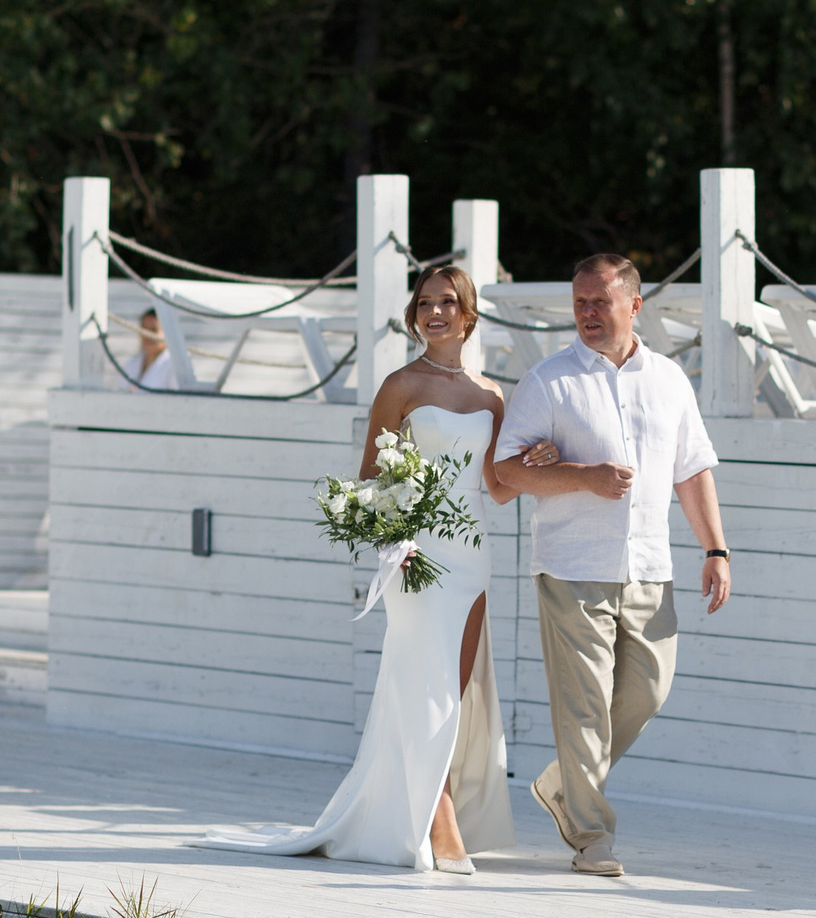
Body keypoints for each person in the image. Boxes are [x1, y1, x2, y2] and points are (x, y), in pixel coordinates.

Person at [195, 266, 518, 874]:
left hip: (472, 559)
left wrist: (540, 460)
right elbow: (370, 478)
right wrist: (395, 540)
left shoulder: (494, 395)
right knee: (422, 685)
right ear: (414, 314)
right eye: (425, 302)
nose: (436, 312)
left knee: (452, 692)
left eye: (448, 302)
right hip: (416, 557)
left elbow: (497, 487)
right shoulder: (400, 385)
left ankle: (426, 805)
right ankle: (439, 817)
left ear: (470, 314)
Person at [491, 253, 731, 878]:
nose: (588, 314)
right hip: (572, 566)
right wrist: (582, 478)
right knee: (584, 707)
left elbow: (693, 469)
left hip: (651, 564)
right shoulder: (548, 381)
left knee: (648, 691)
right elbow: (504, 473)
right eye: (579, 303)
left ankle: (561, 784)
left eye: (600, 302)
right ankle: (591, 836)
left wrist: (716, 548)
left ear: (635, 305)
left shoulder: (672, 380)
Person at [134, 309, 176, 390]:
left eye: (153, 330)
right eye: (144, 330)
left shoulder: (173, 365)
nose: (148, 335)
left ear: (166, 333)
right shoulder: (132, 363)